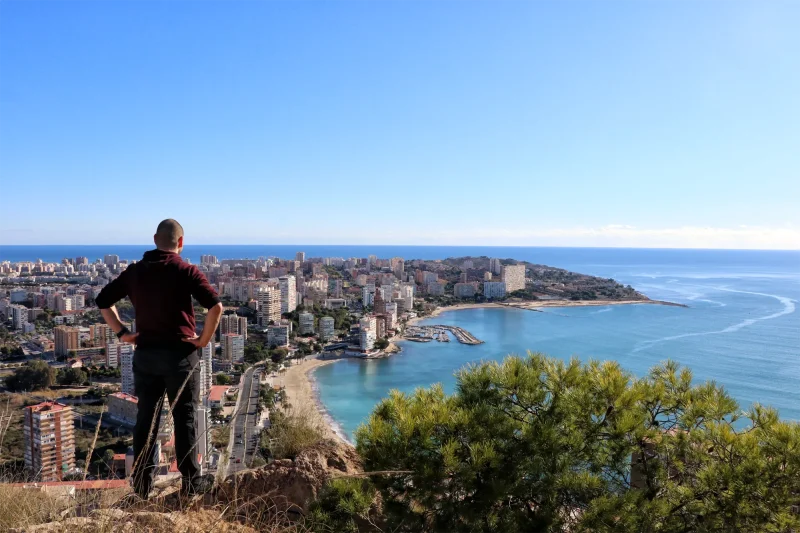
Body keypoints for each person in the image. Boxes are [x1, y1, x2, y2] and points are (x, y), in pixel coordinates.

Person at [96, 219, 223, 498]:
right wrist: (202, 340)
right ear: (181, 242)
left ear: (155, 239)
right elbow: (216, 307)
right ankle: (191, 484)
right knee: (184, 418)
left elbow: (103, 301)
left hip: (146, 357)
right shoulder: (186, 270)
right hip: (180, 358)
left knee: (146, 421)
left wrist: (123, 333)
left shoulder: (135, 272)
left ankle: (142, 486)